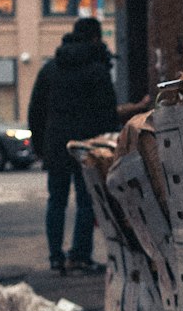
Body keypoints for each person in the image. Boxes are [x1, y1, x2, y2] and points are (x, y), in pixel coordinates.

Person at [28, 16, 119, 274]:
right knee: (86, 200)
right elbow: (107, 112)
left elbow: (36, 109)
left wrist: (39, 145)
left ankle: (55, 257)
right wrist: (108, 145)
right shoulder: (97, 69)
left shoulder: (50, 68)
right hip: (85, 145)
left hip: (55, 143)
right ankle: (80, 255)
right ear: (95, 38)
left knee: (55, 200)